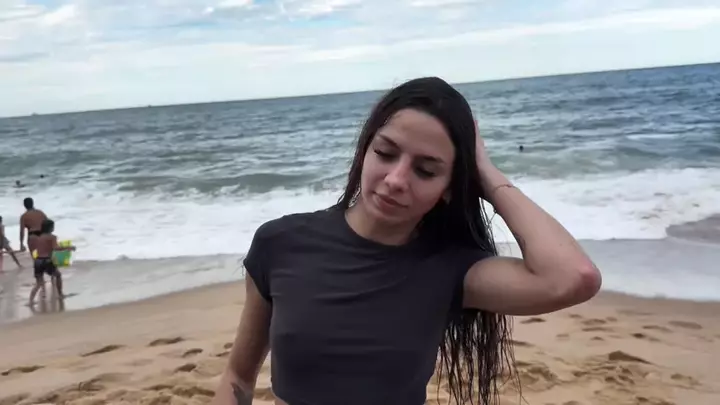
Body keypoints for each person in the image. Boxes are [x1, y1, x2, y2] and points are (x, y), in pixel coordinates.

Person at [211, 77, 602, 405]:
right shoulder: (280, 244)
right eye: (385, 153)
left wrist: (486, 174)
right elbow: (237, 378)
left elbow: (573, 277)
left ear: (449, 188)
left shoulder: (451, 269)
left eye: (426, 170)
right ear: (365, 149)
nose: (396, 179)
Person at [28, 219, 75, 306]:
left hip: (38, 260)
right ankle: (60, 294)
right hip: (46, 260)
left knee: (39, 283)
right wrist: (69, 247)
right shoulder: (52, 237)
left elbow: (37, 249)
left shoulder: (39, 237)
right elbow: (56, 248)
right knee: (58, 275)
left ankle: (30, 301)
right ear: (50, 228)